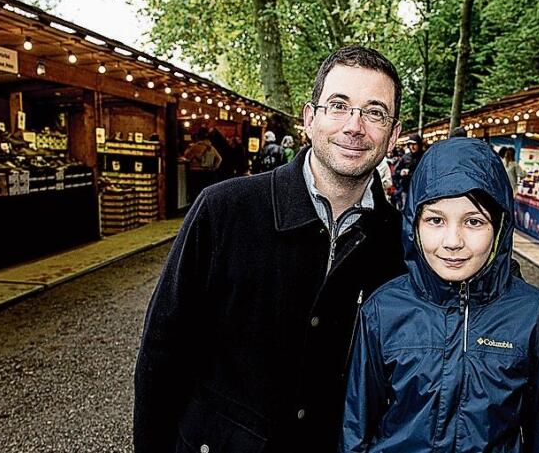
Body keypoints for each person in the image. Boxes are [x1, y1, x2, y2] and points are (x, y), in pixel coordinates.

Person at [134, 45, 406, 453]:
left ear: (393, 134)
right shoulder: (224, 210)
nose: (355, 125)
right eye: (339, 105)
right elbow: (161, 352)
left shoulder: (399, 242)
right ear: (309, 119)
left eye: (375, 112)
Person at [341, 138, 539, 453]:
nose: (452, 241)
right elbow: (356, 427)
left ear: (499, 227)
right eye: (436, 220)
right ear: (414, 225)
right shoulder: (383, 310)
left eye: (473, 222)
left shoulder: (534, 314)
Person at [183, 128, 223, 199]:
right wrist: (214, 167)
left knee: (195, 190)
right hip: (208, 171)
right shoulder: (211, 148)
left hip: (195, 171)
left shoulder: (195, 146)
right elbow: (219, 159)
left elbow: (186, 157)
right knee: (206, 190)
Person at [393, 134, 424, 209]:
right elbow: (395, 172)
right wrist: (400, 172)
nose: (412, 147)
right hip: (406, 189)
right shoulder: (405, 157)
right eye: (410, 144)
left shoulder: (425, 156)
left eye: (414, 144)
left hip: (421, 190)